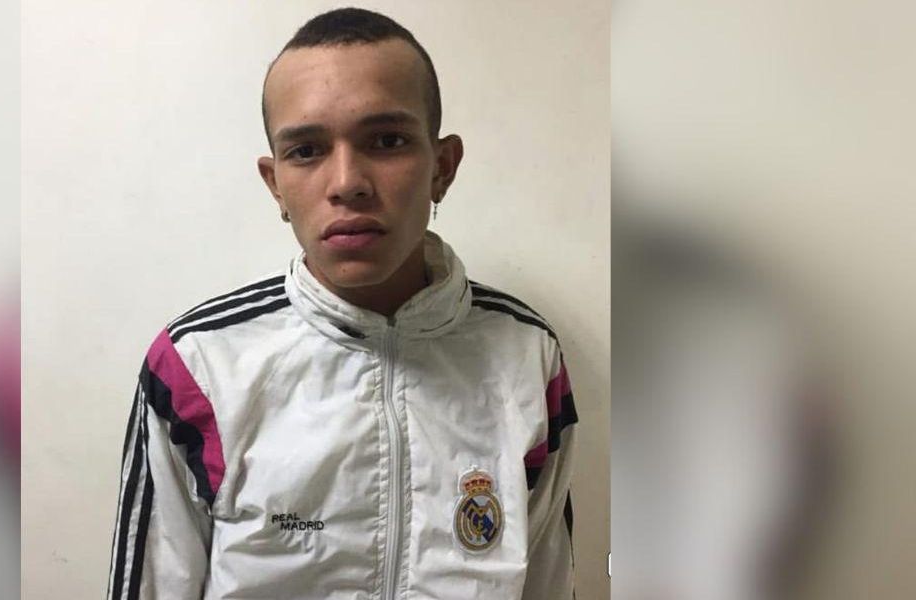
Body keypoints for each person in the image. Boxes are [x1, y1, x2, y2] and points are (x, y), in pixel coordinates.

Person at [107, 7, 578, 599]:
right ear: (275, 184)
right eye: (306, 150)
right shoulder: (199, 366)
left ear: (443, 167)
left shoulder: (528, 356)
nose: (347, 182)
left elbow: (549, 582)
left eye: (387, 141)